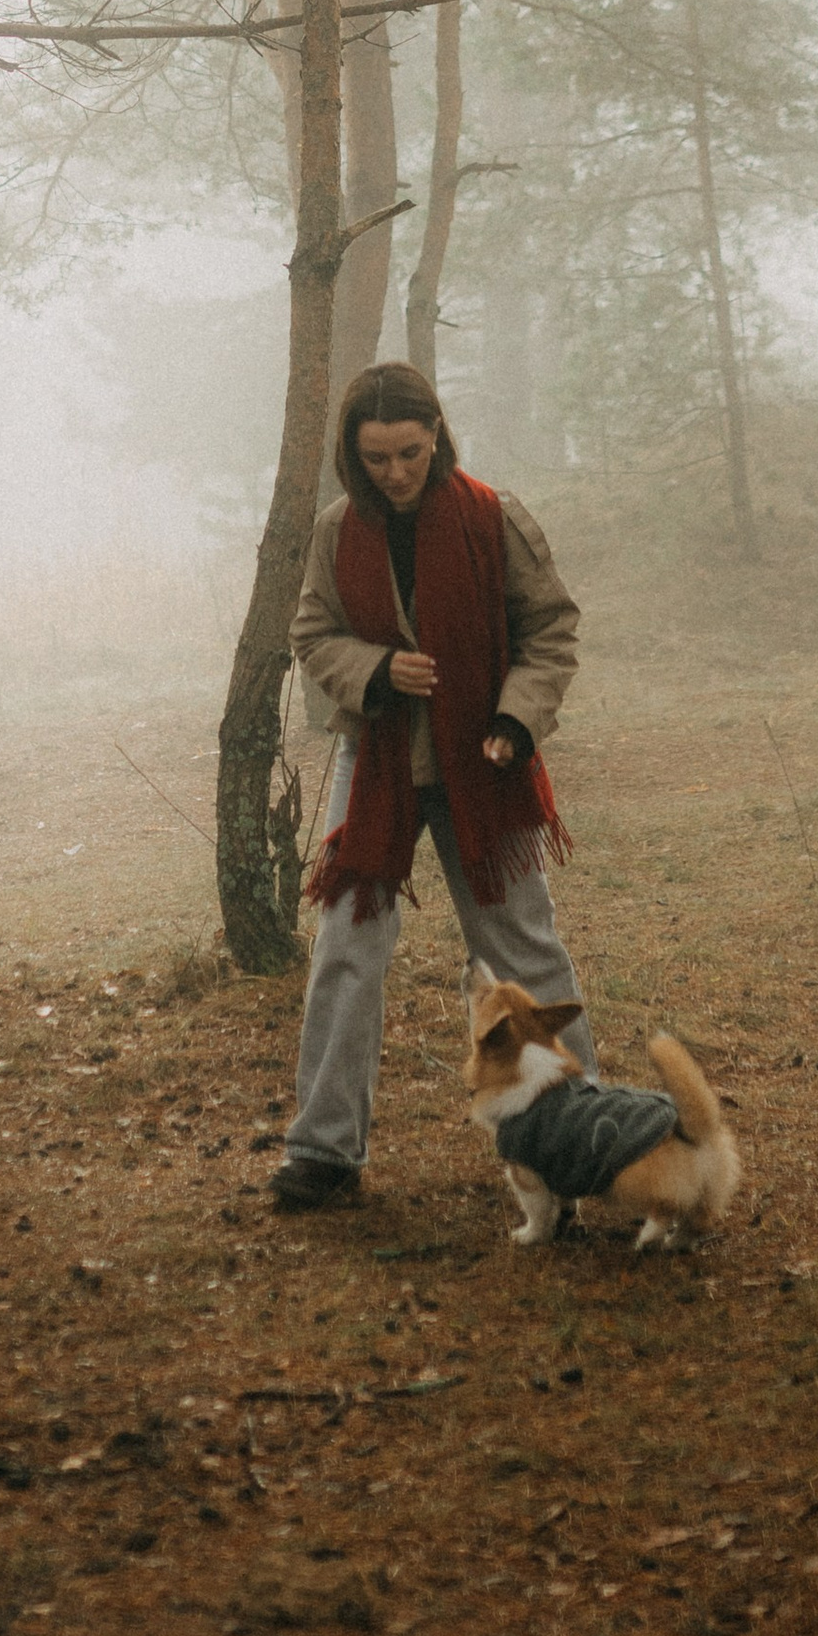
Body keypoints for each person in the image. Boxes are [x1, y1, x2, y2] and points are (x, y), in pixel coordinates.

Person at [270, 359, 596, 1214]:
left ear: (437, 436)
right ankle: (323, 1150)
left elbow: (551, 628)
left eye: (410, 452)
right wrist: (376, 671)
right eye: (377, 457)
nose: (397, 472)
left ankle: (581, 1132)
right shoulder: (337, 530)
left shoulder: (495, 516)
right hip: (375, 762)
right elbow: (312, 629)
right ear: (353, 453)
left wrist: (517, 722)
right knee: (344, 949)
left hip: (483, 765)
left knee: (525, 948)